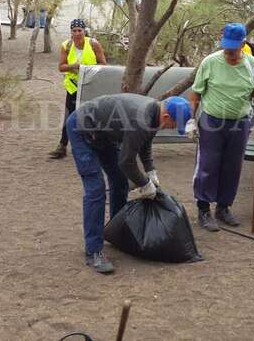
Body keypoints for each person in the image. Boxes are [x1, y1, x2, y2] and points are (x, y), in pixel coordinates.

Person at [66, 94, 192, 274]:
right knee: (96, 189)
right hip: (81, 129)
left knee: (120, 182)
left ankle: (116, 232)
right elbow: (126, 162)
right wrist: (145, 183)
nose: (171, 128)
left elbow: (145, 145)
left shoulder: (155, 113)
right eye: (173, 125)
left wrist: (151, 171)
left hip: (104, 134)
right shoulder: (141, 120)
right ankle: (93, 251)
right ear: (166, 116)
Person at [186, 23, 254, 232]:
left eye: (233, 48)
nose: (229, 52)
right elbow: (196, 93)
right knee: (208, 164)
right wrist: (191, 119)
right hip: (212, 121)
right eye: (226, 47)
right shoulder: (210, 62)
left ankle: (223, 207)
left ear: (243, 44)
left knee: (233, 166)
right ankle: (204, 209)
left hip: (240, 121)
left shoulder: (252, 64)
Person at [49, 19, 107, 159]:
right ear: (71, 32)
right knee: (69, 116)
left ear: (84, 31)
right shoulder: (67, 46)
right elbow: (61, 67)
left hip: (91, 85)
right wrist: (73, 66)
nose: (77, 33)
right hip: (73, 86)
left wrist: (87, 69)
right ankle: (62, 146)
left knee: (91, 115)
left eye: (79, 30)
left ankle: (96, 146)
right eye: (74, 31)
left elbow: (103, 64)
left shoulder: (93, 44)